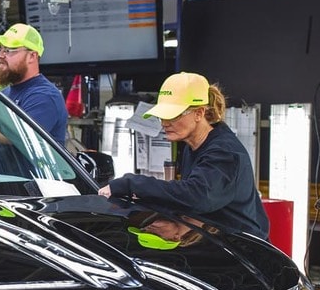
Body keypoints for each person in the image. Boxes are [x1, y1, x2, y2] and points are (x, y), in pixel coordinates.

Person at [98, 72, 269, 239]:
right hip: (217, 240)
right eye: (162, 117)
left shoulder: (224, 153)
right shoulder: (192, 146)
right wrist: (178, 227)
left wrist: (131, 184)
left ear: (199, 113)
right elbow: (203, 206)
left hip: (245, 248)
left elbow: (197, 197)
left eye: (173, 116)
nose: (165, 123)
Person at [0, 23, 67, 174]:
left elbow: (9, 134)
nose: (0, 55)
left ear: (32, 56)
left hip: (29, 188)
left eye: (9, 50)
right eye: (0, 49)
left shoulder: (44, 96)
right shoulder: (4, 94)